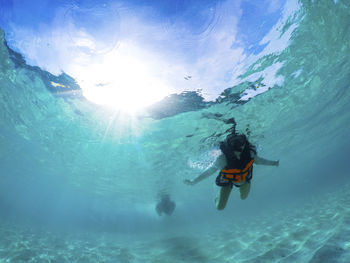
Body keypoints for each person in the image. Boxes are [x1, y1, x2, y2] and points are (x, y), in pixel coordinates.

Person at [184, 133, 279, 210]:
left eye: (240, 143)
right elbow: (209, 172)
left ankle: (236, 186)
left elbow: (260, 161)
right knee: (219, 207)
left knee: (243, 197)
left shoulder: (250, 154)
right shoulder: (222, 159)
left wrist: (274, 163)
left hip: (244, 180)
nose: (238, 147)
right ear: (229, 146)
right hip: (227, 181)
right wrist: (194, 181)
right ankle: (218, 192)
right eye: (234, 143)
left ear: (244, 143)